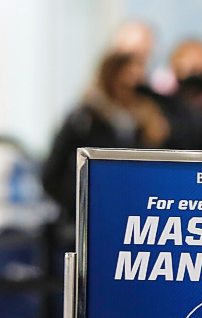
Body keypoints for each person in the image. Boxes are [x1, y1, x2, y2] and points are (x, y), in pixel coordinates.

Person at [42, 51, 170, 224]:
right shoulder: (85, 119)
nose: (131, 87)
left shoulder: (148, 119)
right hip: (88, 217)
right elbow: (52, 175)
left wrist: (154, 139)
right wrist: (85, 203)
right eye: (125, 81)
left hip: (132, 215)